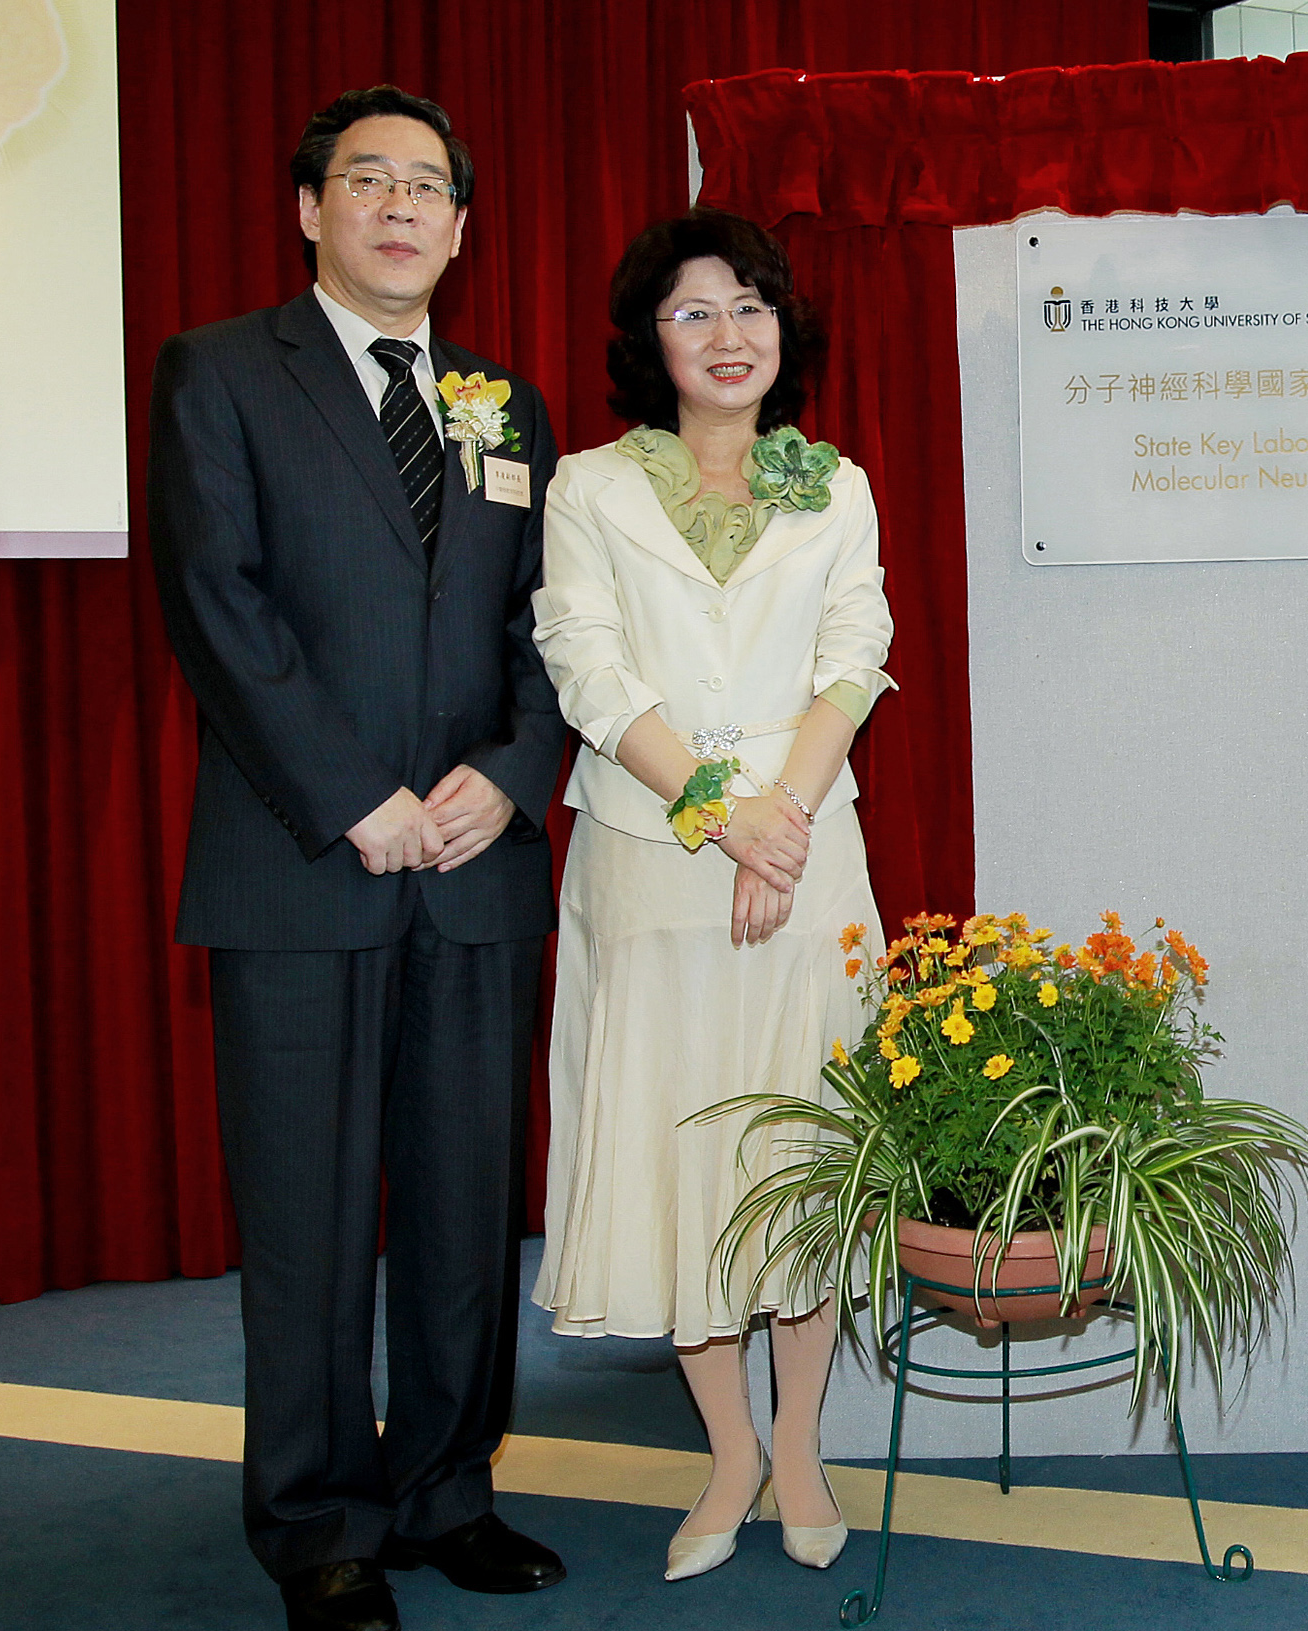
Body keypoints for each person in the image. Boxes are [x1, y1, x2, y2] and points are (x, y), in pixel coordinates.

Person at [148, 86, 567, 1631]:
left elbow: (545, 627)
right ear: (309, 209)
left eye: (430, 187)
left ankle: (449, 1487)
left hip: (474, 867)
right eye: (368, 180)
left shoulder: (505, 407)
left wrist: (510, 780)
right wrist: (353, 796)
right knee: (311, 1214)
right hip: (300, 863)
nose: (401, 207)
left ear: (461, 228)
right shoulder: (218, 373)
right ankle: (318, 1520)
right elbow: (218, 604)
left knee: (466, 1204)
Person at [530, 209, 892, 1581]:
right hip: (655, 858)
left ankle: (799, 1440)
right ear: (648, 341)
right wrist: (721, 818)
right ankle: (727, 1450)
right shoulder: (589, 488)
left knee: (799, 1153)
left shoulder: (834, 483)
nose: (728, 335)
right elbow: (591, 670)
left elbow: (857, 645)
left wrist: (780, 818)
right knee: (683, 1153)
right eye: (694, 313)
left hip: (806, 858)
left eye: (749, 306)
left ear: (783, 328)